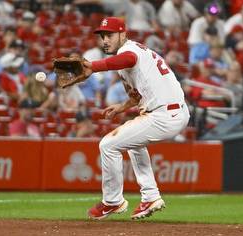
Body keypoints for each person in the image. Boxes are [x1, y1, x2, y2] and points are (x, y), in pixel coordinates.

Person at [76, 17, 190, 220]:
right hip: (170, 111)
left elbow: (129, 59)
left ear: (123, 34)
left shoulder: (130, 51)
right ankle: (151, 196)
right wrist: (122, 107)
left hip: (164, 114)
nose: (105, 40)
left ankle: (112, 202)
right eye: (103, 36)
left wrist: (93, 66)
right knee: (135, 144)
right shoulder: (126, 56)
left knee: (108, 145)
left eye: (109, 35)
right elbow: (137, 96)